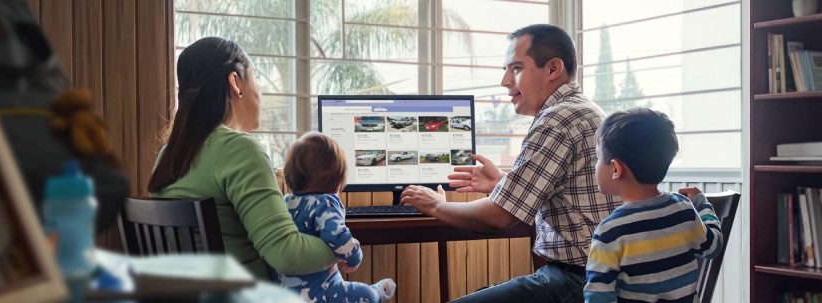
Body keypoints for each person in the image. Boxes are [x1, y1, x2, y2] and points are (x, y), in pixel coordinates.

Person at [399, 24, 620, 302]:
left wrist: (435, 205)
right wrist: (503, 183)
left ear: (553, 69)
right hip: (597, 273)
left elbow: (500, 217)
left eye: (516, 68)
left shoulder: (558, 119)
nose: (505, 81)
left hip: (581, 279)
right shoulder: (582, 109)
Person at [148, 37, 336, 280]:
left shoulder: (168, 154)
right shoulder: (239, 150)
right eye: (255, 79)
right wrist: (341, 248)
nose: (259, 92)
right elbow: (286, 254)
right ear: (235, 82)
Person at [582, 108, 724, 303]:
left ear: (615, 168)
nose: (595, 165)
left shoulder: (609, 233)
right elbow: (714, 246)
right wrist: (701, 202)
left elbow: (598, 297)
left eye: (598, 158)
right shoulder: (684, 209)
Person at [273, 132, 397, 302]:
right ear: (338, 181)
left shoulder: (285, 202)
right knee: (364, 294)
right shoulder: (325, 203)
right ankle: (377, 292)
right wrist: (355, 257)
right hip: (321, 292)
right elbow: (336, 235)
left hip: (283, 291)